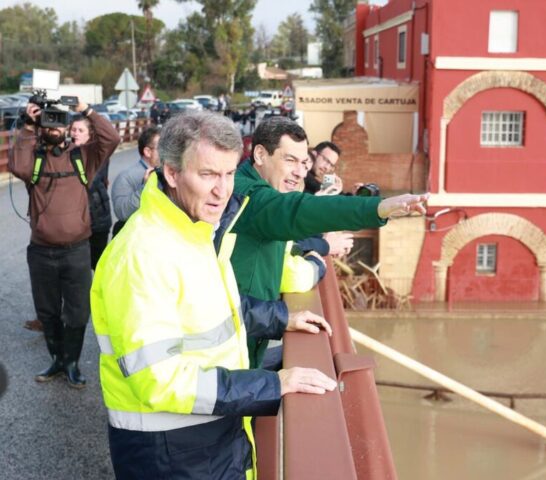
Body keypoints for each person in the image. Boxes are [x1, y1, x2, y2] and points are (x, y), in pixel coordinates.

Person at [90, 111, 336, 479]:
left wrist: (284, 317)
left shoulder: (192, 229)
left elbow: (213, 309)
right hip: (172, 455)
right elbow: (159, 379)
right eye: (207, 175)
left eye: (229, 173)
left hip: (207, 438)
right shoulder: (143, 254)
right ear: (172, 173)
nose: (223, 191)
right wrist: (272, 384)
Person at [231, 116, 428, 367]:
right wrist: (377, 208)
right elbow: (298, 212)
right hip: (232, 349)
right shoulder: (249, 196)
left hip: (247, 333)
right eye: (289, 160)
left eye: (303, 162)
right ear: (260, 155)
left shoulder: (258, 188)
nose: (299, 172)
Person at [9, 98, 121, 387]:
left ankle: (72, 364)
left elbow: (111, 138)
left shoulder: (82, 157)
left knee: (77, 312)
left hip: (77, 251)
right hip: (41, 252)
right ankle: (57, 360)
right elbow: (16, 164)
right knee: (47, 312)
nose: (53, 126)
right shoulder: (34, 160)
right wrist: (28, 125)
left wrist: (86, 110)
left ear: (67, 127)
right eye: (48, 121)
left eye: (58, 121)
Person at [70, 117, 112, 270]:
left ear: (90, 134)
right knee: (78, 269)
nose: (76, 133)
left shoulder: (98, 155)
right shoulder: (66, 154)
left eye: (80, 130)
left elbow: (90, 182)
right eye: (73, 130)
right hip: (76, 223)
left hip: (98, 220)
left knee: (99, 266)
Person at [110, 126, 160, 235]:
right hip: (138, 237)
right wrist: (145, 188)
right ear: (147, 152)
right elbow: (122, 213)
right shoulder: (126, 177)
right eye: (162, 147)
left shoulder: (170, 174)